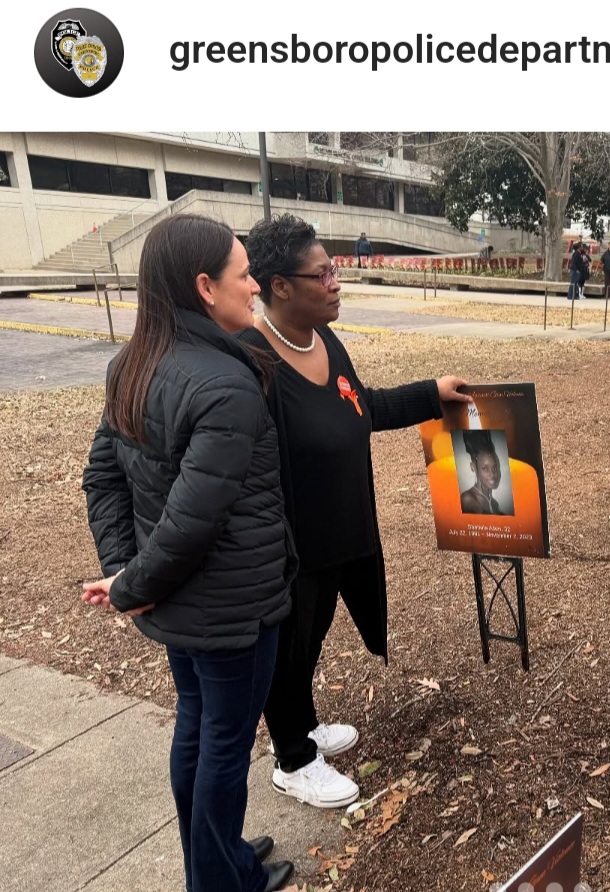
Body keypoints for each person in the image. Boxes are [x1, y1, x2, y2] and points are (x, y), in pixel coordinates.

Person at [81, 214, 296, 892]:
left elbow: (105, 480)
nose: (255, 285)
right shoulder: (225, 387)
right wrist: (128, 582)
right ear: (205, 287)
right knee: (222, 748)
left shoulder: (133, 363)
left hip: (179, 603)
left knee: (198, 730)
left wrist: (128, 573)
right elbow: (190, 522)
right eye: (243, 274)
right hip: (233, 609)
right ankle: (220, 880)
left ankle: (220, 856)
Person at [239, 214, 471, 808]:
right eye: (324, 273)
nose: (337, 281)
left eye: (334, 268)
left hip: (344, 535)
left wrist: (427, 394)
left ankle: (304, 726)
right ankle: (292, 760)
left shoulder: (323, 340)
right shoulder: (251, 361)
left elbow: (358, 406)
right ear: (281, 286)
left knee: (310, 644)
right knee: (288, 650)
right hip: (291, 549)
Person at [459, 430, 504, 515]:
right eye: (485, 468)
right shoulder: (467, 499)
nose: (492, 474)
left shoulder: (494, 503)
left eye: (494, 468)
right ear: (473, 467)